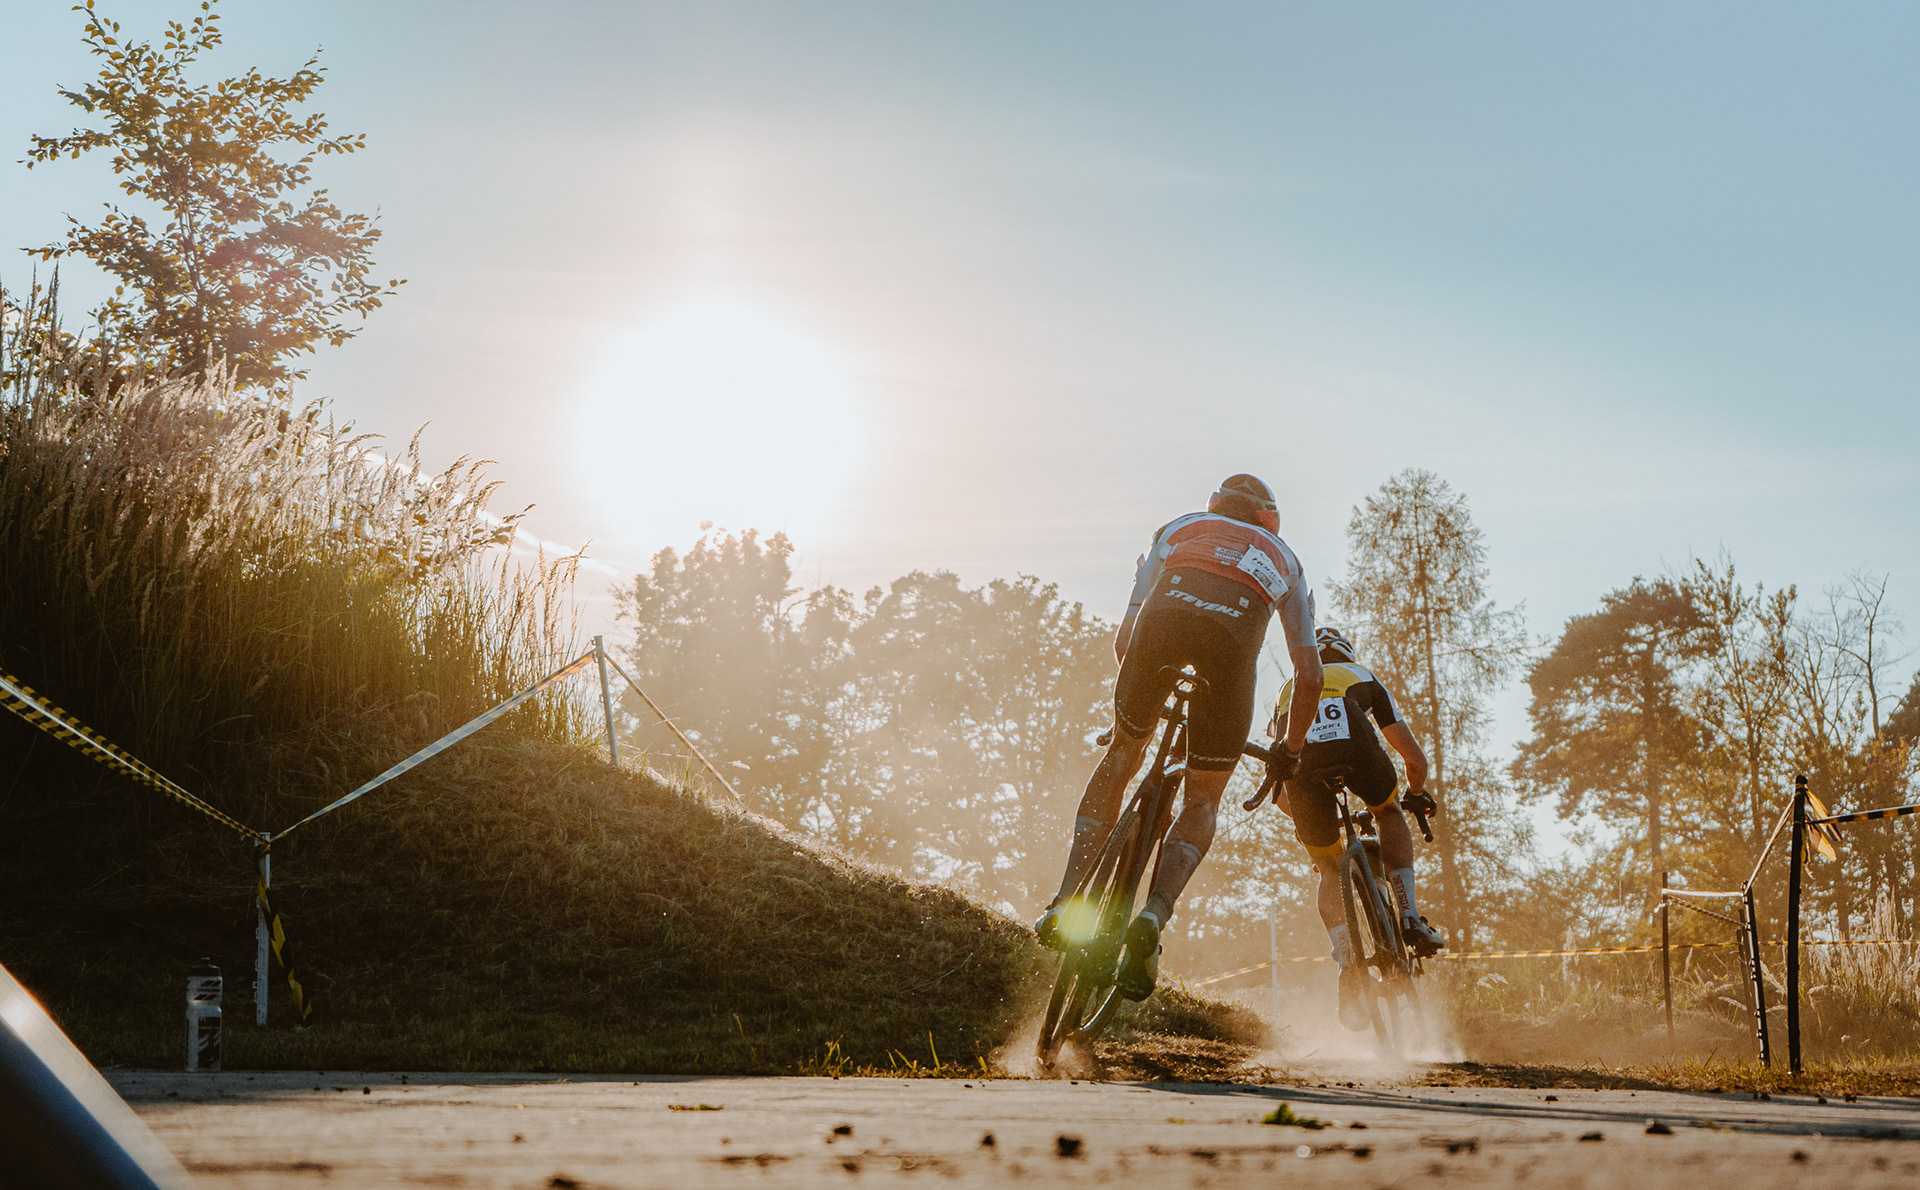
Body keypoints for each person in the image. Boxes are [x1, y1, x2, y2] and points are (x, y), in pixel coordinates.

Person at [1034, 474, 1324, 1001]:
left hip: (1160, 631)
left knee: (1123, 755)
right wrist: (1290, 751)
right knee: (1202, 797)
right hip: (1231, 653)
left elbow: (1125, 639)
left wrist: (1134, 722)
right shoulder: (1286, 560)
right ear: (1270, 520)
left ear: (1215, 505)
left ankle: (1065, 899)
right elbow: (1310, 678)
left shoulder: (1178, 528)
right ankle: (1152, 915)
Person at [1263, 625, 1444, 1030]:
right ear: (1346, 653)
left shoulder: (1286, 691)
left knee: (1330, 869)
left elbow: (1279, 794)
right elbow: (1415, 761)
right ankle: (1410, 917)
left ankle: (1348, 965)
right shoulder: (1361, 675)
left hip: (1303, 762)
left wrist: (1318, 840)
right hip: (1356, 746)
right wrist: (1414, 794)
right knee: (1388, 812)